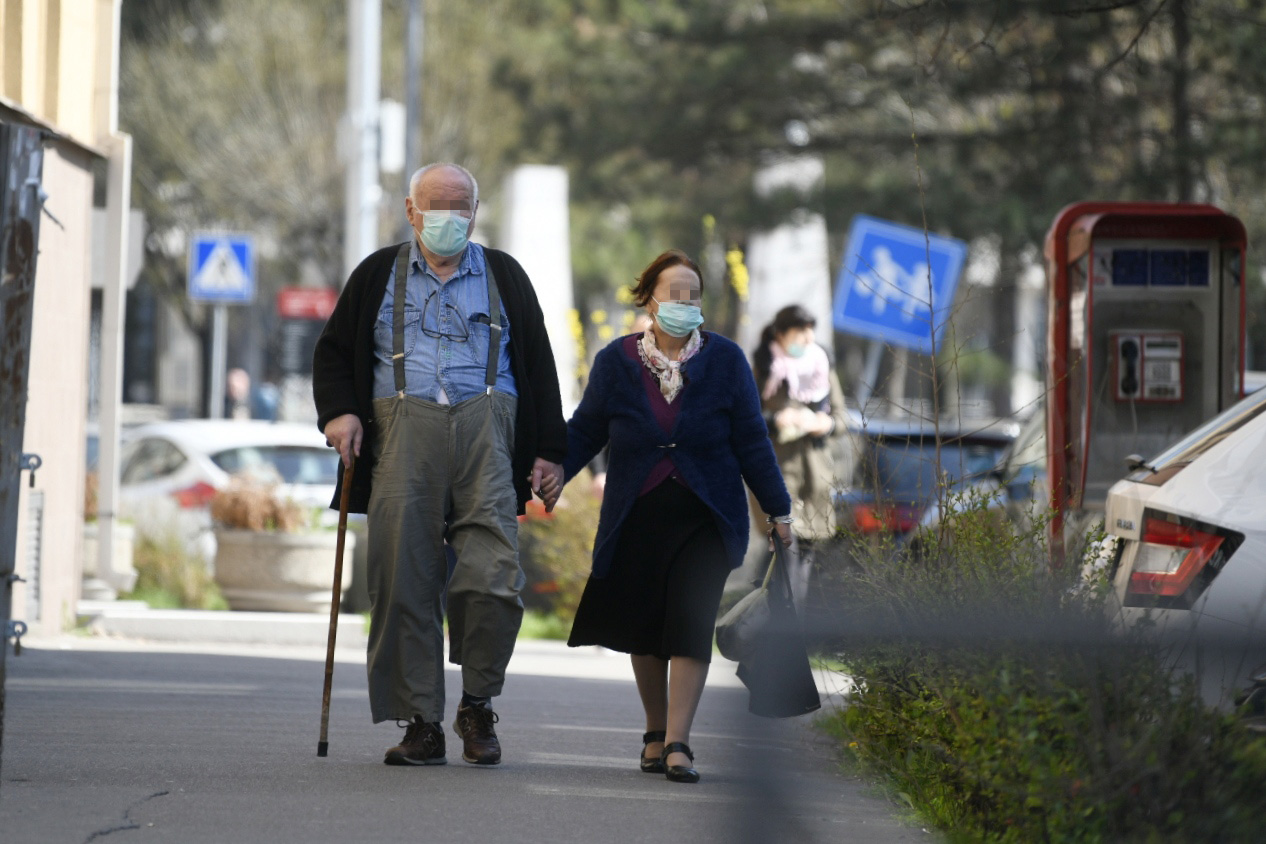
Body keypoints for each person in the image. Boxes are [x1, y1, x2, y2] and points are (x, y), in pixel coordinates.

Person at [313, 162, 566, 768]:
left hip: (488, 440)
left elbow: (538, 364)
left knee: (494, 578)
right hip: (402, 438)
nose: (449, 218)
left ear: (475, 214)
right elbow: (335, 352)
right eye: (437, 206)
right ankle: (422, 723)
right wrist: (340, 414)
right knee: (403, 581)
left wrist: (550, 451)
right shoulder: (377, 273)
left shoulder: (505, 274)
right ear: (411, 211)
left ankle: (476, 705)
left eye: (461, 206)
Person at [561, 249, 792, 784]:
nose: (685, 302)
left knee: (690, 621)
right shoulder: (616, 361)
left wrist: (779, 510)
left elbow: (752, 441)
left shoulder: (726, 360)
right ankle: (654, 730)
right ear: (649, 299)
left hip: (707, 517)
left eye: (694, 294)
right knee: (646, 628)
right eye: (674, 293)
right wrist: (551, 473)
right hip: (637, 512)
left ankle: (678, 743)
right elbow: (586, 429)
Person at [752, 305, 849, 606]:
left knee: (803, 564)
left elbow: (842, 418)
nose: (807, 338)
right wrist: (776, 420)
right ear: (780, 334)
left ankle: (787, 628)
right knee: (786, 554)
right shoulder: (763, 368)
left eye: (810, 331)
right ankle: (781, 626)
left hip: (816, 478)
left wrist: (824, 423)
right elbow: (744, 418)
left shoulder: (822, 366)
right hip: (779, 476)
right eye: (799, 331)